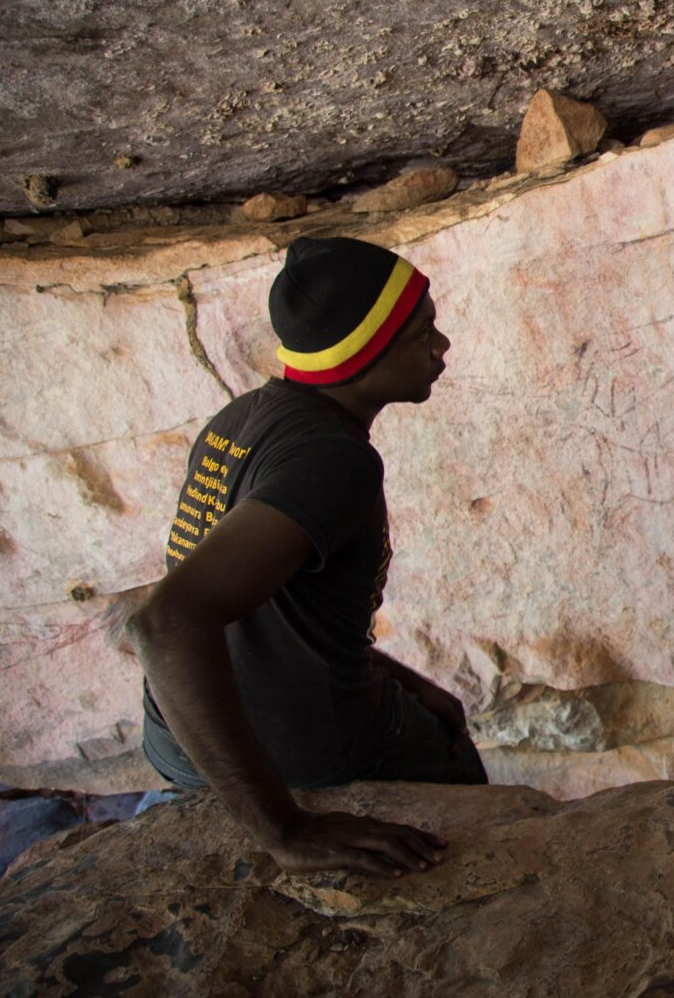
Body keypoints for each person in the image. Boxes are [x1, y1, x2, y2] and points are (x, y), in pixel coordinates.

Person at [131, 236, 482, 879]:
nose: (442, 347)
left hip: (174, 747)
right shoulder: (335, 460)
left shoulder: (239, 420)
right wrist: (284, 829)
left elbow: (281, 615)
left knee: (428, 711)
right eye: (422, 332)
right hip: (298, 754)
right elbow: (164, 622)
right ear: (367, 354)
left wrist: (406, 681)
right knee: (453, 766)